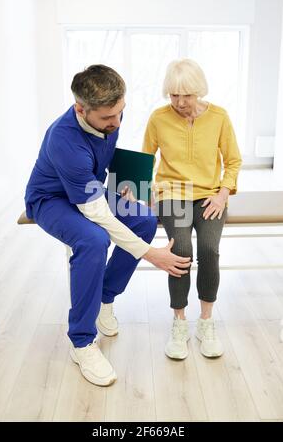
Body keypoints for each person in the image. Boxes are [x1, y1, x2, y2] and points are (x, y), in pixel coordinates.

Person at [24, 64, 191, 387]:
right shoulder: (64, 141)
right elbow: (98, 214)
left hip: (90, 188)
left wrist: (127, 185)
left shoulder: (109, 114)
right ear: (80, 109)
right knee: (93, 240)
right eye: (106, 118)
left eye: (120, 113)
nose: (115, 123)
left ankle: (103, 298)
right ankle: (82, 342)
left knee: (143, 219)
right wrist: (151, 254)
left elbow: (102, 158)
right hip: (51, 199)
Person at [142, 58, 242, 360]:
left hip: (209, 195)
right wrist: (145, 192)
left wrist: (223, 194)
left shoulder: (219, 117)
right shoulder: (158, 118)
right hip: (174, 193)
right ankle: (179, 322)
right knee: (181, 250)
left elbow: (233, 161)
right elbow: (146, 159)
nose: (180, 102)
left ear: (199, 91)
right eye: (173, 95)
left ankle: (206, 322)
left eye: (186, 95)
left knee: (209, 250)